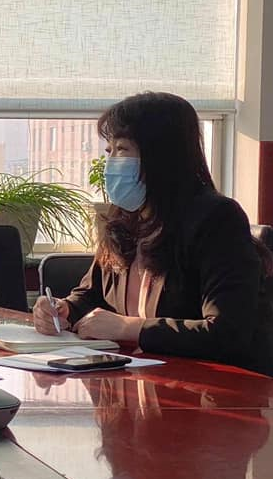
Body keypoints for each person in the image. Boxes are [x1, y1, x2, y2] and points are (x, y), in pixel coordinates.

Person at [32, 91, 273, 376]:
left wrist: (129, 327)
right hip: (138, 382)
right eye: (109, 151)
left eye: (122, 149)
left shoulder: (217, 219)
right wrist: (64, 310)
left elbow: (226, 332)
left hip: (213, 388)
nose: (111, 163)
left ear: (161, 155)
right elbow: (92, 294)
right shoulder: (125, 217)